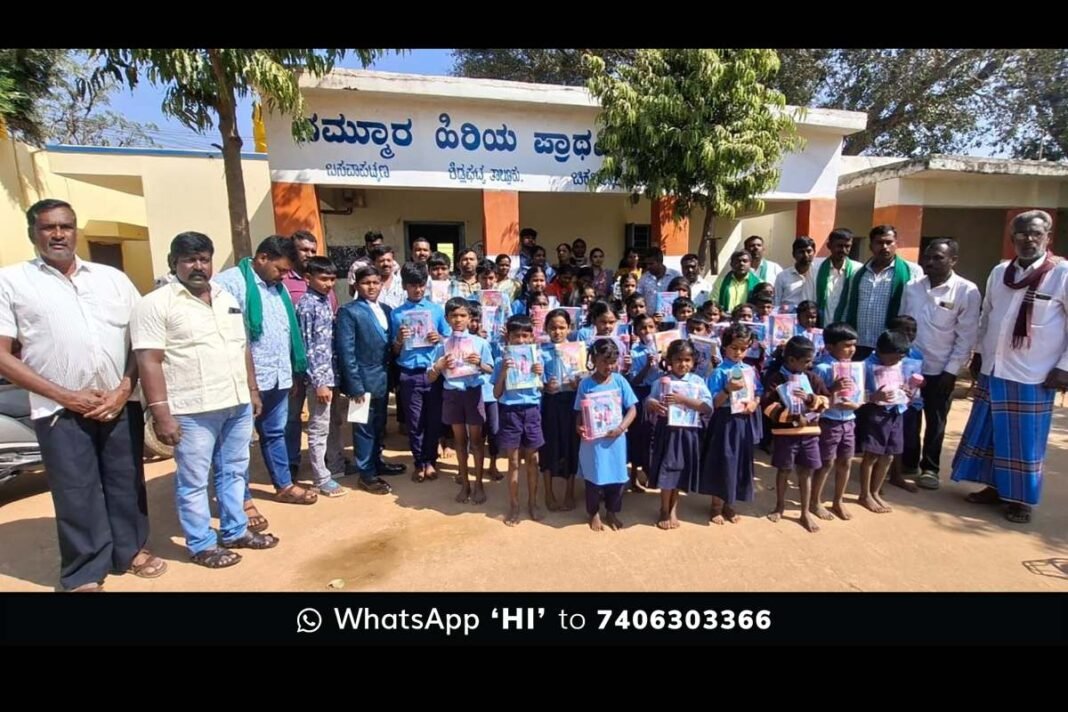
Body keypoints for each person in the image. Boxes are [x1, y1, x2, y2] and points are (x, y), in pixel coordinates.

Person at [0, 198, 165, 591]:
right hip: (58, 408)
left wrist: (125, 387)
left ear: (76, 231)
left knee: (127, 481)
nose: (58, 234)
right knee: (76, 490)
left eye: (66, 226)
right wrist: (66, 395)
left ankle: (130, 550)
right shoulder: (12, 281)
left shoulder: (112, 279)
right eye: (48, 227)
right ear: (32, 233)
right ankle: (85, 569)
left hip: (118, 401)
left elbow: (141, 342)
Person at [132, 232, 278, 568]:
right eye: (189, 259)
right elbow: (148, 360)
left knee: (234, 472)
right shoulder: (155, 304)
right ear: (174, 263)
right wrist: (161, 414)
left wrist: (252, 391)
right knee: (194, 480)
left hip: (236, 403)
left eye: (204, 259)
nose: (198, 266)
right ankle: (201, 544)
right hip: (192, 409)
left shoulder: (227, 296)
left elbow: (242, 347)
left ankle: (235, 530)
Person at [952, 210, 1068, 524]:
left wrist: (1065, 367)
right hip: (994, 367)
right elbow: (987, 315)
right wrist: (978, 354)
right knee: (991, 433)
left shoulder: (1061, 274)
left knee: (1024, 440)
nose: (1028, 239)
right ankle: (993, 487)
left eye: (1035, 234)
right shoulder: (1000, 271)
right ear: (1012, 237)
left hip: (1034, 373)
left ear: (1048, 237)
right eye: (1021, 234)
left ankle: (1020, 499)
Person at [215, 236, 317, 509]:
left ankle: (283, 484)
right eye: (280, 269)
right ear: (262, 258)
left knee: (275, 433)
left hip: (278, 375)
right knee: (238, 442)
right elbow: (231, 336)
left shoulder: (278, 288)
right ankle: (242, 500)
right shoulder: (230, 284)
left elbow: (286, 332)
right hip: (244, 380)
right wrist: (249, 385)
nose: (284, 276)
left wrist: (293, 373)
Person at [900, 238, 980, 490]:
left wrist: (952, 371)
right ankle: (908, 462)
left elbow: (966, 335)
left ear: (953, 260)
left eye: (938, 258)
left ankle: (930, 468)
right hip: (911, 367)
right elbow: (902, 325)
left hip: (940, 370)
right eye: (928, 257)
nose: (930, 262)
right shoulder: (912, 287)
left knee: (935, 421)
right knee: (909, 418)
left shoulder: (966, 291)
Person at [336, 265, 407, 494]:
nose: (372, 287)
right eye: (366, 283)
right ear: (357, 285)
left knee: (379, 425)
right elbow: (346, 352)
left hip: (383, 378)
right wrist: (354, 385)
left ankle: (377, 462)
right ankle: (366, 474)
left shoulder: (386, 309)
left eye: (376, 282)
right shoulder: (349, 311)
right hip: (362, 382)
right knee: (363, 428)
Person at [428, 297, 494, 504]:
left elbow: (491, 370)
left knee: (476, 441)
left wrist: (479, 363)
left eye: (463, 315)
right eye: (454, 316)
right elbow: (430, 376)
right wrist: (438, 366)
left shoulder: (480, 343)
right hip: (453, 394)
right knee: (459, 441)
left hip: (473, 393)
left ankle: (479, 484)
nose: (458, 319)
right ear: (447, 319)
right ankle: (465, 483)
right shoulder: (443, 345)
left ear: (470, 318)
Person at [763, 336, 831, 532]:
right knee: (784, 470)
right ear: (791, 360)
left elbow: (825, 402)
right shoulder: (776, 379)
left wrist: (810, 399)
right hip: (785, 434)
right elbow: (768, 407)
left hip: (809, 433)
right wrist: (793, 417)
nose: (810, 364)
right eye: (806, 361)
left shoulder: (812, 378)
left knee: (806, 472)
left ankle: (805, 512)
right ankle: (780, 506)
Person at [696, 323, 762, 524]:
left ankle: (730, 504)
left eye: (743, 349)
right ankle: (716, 506)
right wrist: (727, 390)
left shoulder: (749, 370)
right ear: (725, 347)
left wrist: (754, 403)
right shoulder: (718, 372)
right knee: (723, 461)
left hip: (743, 421)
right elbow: (711, 403)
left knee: (740, 462)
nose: (738, 353)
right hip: (724, 422)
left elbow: (758, 392)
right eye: (734, 348)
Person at [645, 339, 714, 529]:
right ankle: (664, 509)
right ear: (669, 361)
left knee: (679, 471)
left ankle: (673, 508)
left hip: (688, 433)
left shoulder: (698, 382)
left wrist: (683, 399)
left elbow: (707, 407)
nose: (683, 364)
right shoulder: (662, 381)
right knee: (667, 469)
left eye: (687, 360)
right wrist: (652, 404)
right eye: (678, 360)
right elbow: (649, 401)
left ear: (693, 362)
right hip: (667, 432)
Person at [391, 261, 449, 483]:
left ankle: (431, 461)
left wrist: (439, 338)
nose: (418, 289)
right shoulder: (397, 314)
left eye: (421, 285)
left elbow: (448, 340)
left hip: (433, 372)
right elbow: (394, 350)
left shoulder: (435, 310)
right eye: (413, 285)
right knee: (414, 422)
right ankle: (419, 462)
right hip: (409, 373)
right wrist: (398, 340)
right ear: (405, 286)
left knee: (433, 420)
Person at [295, 256, 347, 497]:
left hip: (332, 373)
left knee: (335, 422)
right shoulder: (307, 306)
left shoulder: (325, 301)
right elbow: (308, 347)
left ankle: (336, 465)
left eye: (332, 279)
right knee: (318, 428)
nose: (328, 283)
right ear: (308, 278)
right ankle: (320, 477)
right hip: (320, 379)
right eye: (323, 278)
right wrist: (318, 382)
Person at [575, 338, 639, 531]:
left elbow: (633, 409)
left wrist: (620, 428)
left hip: (616, 441)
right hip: (593, 442)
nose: (609, 366)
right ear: (593, 359)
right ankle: (593, 513)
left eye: (613, 362)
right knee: (594, 479)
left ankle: (612, 512)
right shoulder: (585, 384)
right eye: (604, 361)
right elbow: (579, 411)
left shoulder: (620, 381)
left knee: (617, 479)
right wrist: (579, 427)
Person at [834, 225, 923, 359]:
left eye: (889, 242)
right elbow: (848, 306)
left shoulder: (912, 271)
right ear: (871, 246)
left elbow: (915, 309)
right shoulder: (858, 273)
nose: (884, 247)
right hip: (860, 343)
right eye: (880, 243)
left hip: (890, 346)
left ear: (896, 244)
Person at [493, 315, 547, 526]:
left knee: (533, 460)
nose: (522, 340)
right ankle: (514, 504)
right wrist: (504, 372)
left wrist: (539, 376)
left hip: (532, 411)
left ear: (532, 337)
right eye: (517, 336)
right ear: (508, 337)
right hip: (510, 412)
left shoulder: (537, 358)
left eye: (526, 336)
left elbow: (543, 388)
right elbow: (496, 393)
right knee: (513, 462)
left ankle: (532, 502)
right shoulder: (501, 361)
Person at [811, 322, 863, 521]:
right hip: (828, 421)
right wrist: (833, 389)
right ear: (830, 347)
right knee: (826, 462)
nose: (851, 349)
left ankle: (838, 500)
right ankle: (815, 501)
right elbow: (815, 400)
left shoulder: (855, 368)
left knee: (846, 461)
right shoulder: (822, 368)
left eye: (853, 345)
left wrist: (856, 404)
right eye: (846, 345)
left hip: (849, 420)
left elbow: (860, 395)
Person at [857, 330, 912, 514]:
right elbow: (855, 394)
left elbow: (902, 383)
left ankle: (875, 491)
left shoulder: (900, 364)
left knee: (889, 454)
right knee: (871, 455)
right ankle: (865, 494)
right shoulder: (865, 366)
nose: (897, 361)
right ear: (880, 351)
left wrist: (907, 389)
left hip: (897, 411)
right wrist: (873, 396)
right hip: (876, 413)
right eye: (894, 358)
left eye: (900, 358)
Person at [539, 309, 581, 511]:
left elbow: (585, 375)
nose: (557, 331)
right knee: (549, 445)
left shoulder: (577, 350)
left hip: (571, 401)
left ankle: (569, 492)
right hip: (550, 403)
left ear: (569, 329)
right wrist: (544, 386)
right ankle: (548, 493)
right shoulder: (539, 351)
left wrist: (577, 383)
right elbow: (533, 380)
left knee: (572, 445)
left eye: (562, 327)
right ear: (546, 329)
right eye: (553, 328)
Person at [814, 228, 862, 326]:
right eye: (839, 246)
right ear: (829, 246)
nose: (843, 250)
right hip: (820, 326)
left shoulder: (858, 270)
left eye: (847, 246)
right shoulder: (815, 268)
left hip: (845, 328)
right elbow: (808, 298)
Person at [774, 236, 818, 310]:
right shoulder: (782, 276)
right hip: (787, 318)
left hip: (811, 318)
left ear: (814, 252)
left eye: (809, 251)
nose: (806, 255)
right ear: (794, 254)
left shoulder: (818, 274)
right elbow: (776, 302)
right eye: (801, 252)